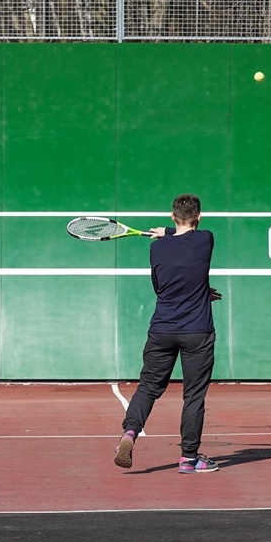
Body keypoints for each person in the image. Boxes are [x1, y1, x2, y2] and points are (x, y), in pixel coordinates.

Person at [113, 193, 222, 474]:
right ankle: (188, 458)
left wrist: (166, 234)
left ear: (172, 215)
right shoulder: (205, 239)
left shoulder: (157, 250)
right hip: (197, 332)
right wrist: (199, 294)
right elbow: (188, 237)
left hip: (162, 329)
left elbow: (161, 287)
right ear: (200, 217)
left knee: (148, 387)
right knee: (194, 395)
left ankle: (130, 433)